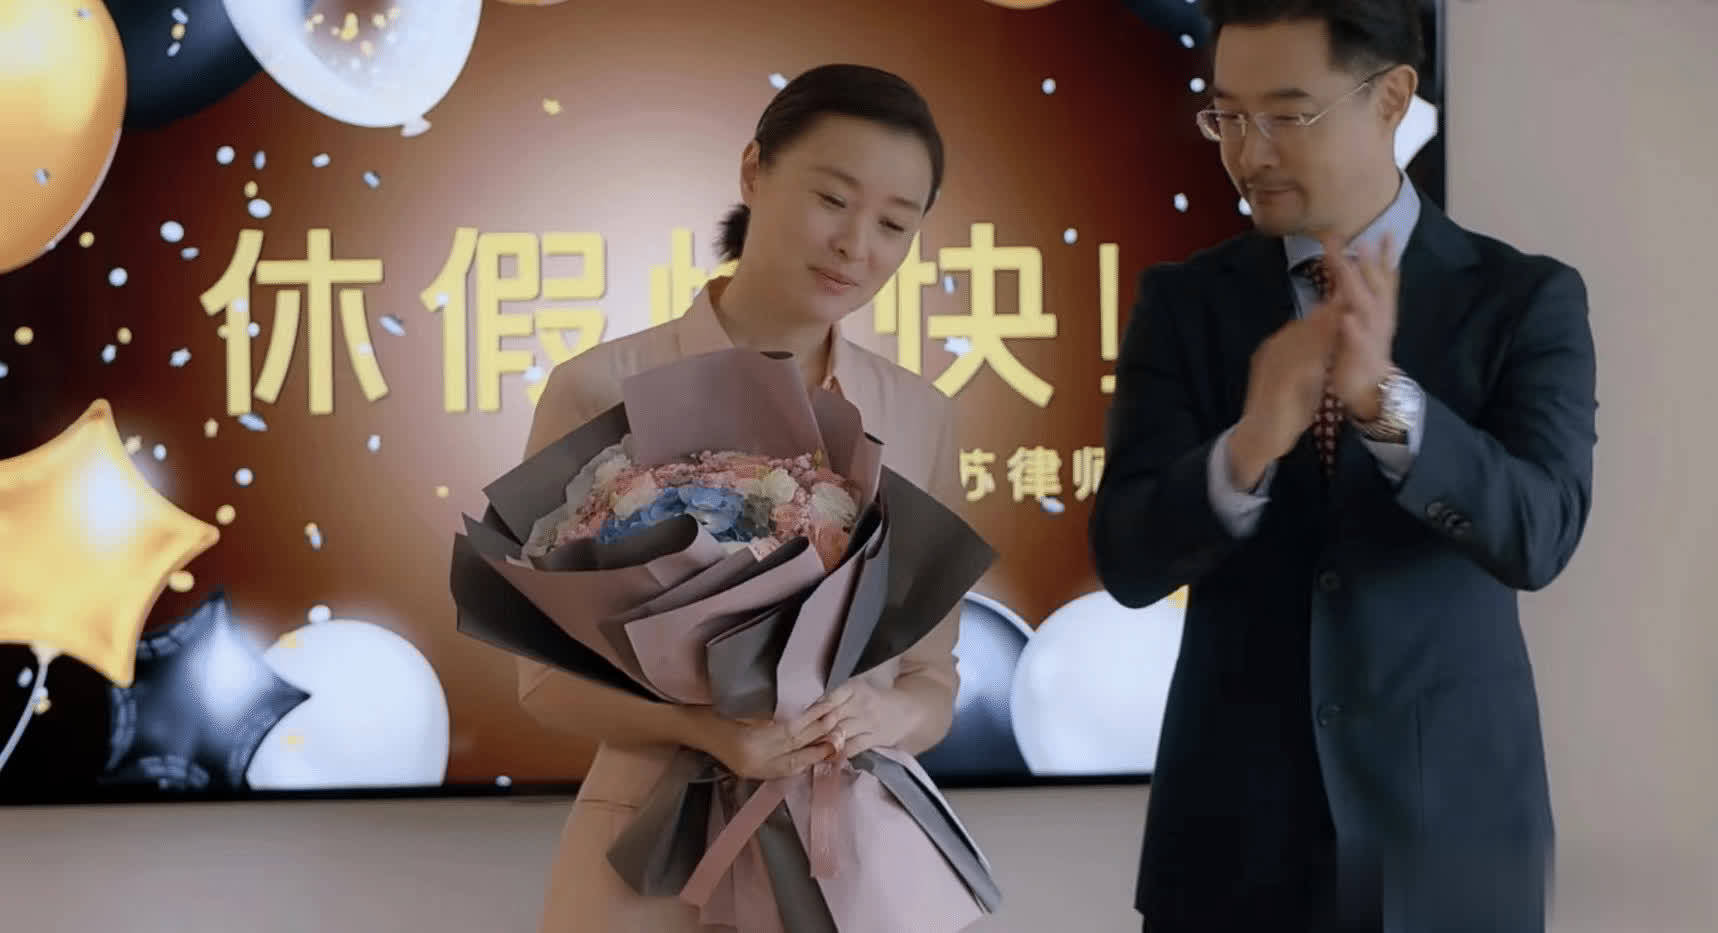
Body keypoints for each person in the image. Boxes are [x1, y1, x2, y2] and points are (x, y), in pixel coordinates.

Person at [1090, 1, 1597, 931]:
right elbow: (1126, 559)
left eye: (1288, 114)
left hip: (1450, 853)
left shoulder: (1523, 298)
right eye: (1227, 115)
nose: (1249, 152)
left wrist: (1387, 405)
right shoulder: (1184, 302)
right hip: (1232, 854)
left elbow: (1539, 532)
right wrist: (1248, 447)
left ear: (1392, 98)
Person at [517, 64, 965, 932]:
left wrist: (882, 713)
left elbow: (932, 681)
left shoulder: (919, 415)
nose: (855, 245)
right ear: (755, 171)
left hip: (852, 862)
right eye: (832, 199)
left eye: (893, 224)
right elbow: (544, 682)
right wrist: (712, 731)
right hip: (649, 854)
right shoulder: (602, 389)